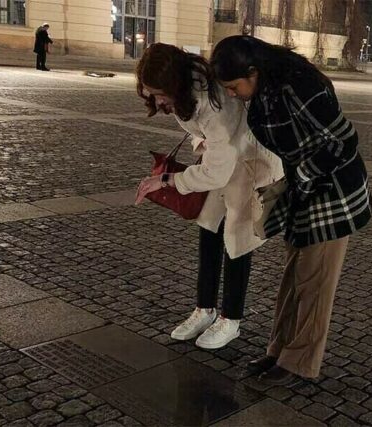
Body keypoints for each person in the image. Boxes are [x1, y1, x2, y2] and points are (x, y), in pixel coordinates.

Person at [210, 35, 372, 386]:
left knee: (316, 280)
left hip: (333, 190)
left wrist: (303, 174)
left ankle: (300, 363)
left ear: (253, 72)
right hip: (302, 188)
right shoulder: (264, 88)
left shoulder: (298, 84)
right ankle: (278, 351)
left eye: (233, 86)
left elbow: (344, 139)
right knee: (293, 275)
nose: (232, 94)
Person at [134, 43, 283, 350]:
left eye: (160, 93)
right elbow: (205, 138)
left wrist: (167, 180)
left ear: (175, 84)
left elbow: (217, 167)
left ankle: (231, 319)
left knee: (236, 238)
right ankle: (204, 310)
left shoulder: (213, 105)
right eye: (150, 91)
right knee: (209, 227)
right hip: (222, 155)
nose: (156, 100)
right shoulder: (187, 86)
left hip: (249, 160)